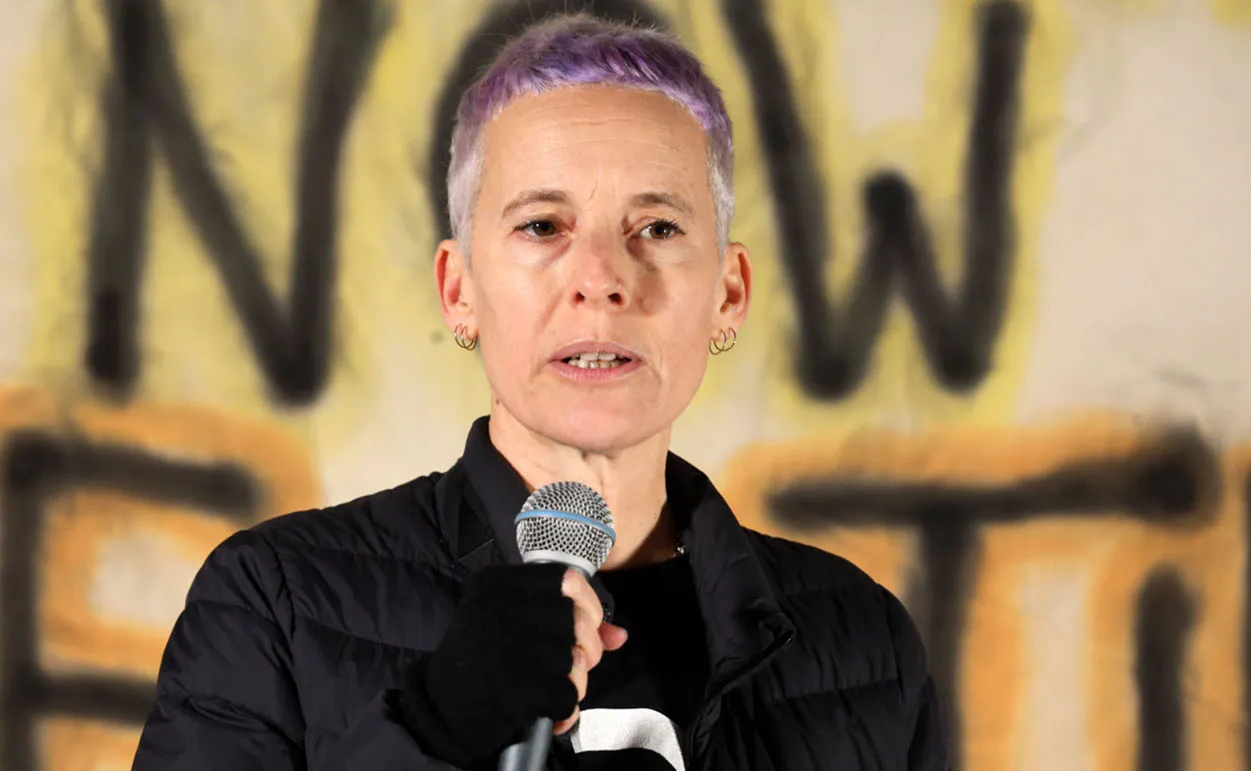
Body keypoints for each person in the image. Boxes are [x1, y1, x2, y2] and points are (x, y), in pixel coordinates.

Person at [131, 13, 948, 771]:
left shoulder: (865, 642)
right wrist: (434, 728)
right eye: (542, 226)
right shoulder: (273, 601)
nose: (602, 279)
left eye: (658, 228)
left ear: (728, 294)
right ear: (459, 291)